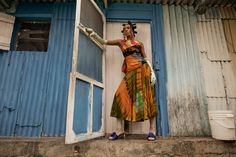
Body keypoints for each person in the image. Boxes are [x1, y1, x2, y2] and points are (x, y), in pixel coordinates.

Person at [85, 21, 157, 141]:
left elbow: (145, 58)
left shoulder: (140, 44)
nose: (126, 30)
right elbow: (104, 42)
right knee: (119, 96)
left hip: (143, 71)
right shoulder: (121, 42)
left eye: (128, 28)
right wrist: (93, 34)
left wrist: (152, 72)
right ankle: (119, 129)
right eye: (124, 29)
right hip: (130, 73)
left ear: (132, 30)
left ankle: (152, 130)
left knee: (147, 99)